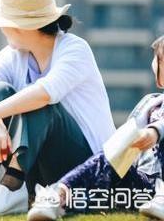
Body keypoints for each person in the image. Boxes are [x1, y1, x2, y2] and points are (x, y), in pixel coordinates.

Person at [0, 0, 116, 219]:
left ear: (21, 26)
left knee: (41, 104)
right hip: (42, 171)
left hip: (88, 173)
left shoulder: (75, 50)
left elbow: (44, 93)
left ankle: (12, 185)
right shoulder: (15, 55)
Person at [27, 35, 164, 221]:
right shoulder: (150, 103)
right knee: (111, 156)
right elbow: (126, 136)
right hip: (143, 185)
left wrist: (155, 131)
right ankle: (57, 196)